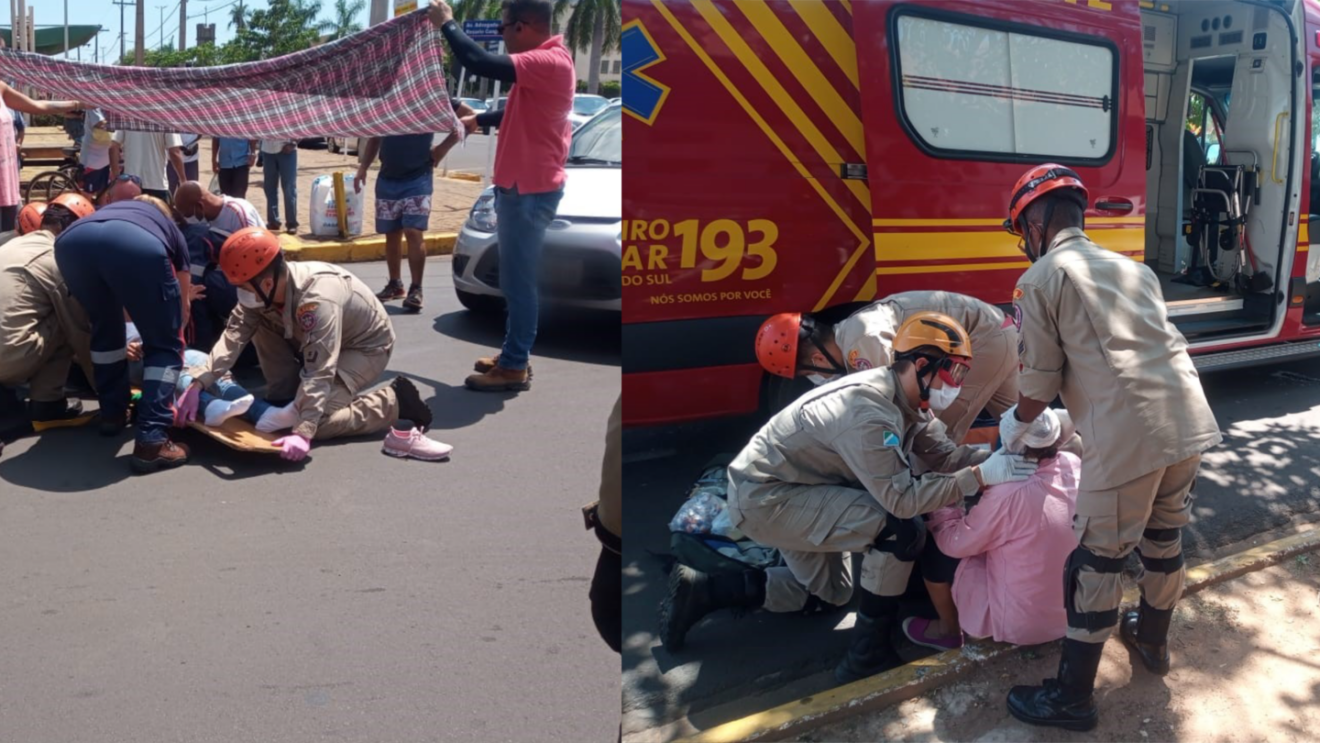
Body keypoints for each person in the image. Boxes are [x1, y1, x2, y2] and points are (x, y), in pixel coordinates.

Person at [659, 313, 1038, 683]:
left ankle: (706, 590)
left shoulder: (909, 399)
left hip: (802, 491)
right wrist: (977, 478)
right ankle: (867, 655)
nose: (957, 384)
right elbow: (902, 500)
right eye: (954, 372)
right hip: (769, 499)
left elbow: (945, 456)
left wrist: (1003, 458)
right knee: (899, 529)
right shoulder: (868, 410)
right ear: (922, 364)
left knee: (831, 595)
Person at [996, 165, 1222, 731]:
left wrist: (1013, 425)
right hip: (1187, 422)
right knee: (1163, 540)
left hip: (1128, 441)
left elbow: (1039, 381)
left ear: (1036, 219)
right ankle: (1153, 643)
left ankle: (1072, 699)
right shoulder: (1134, 270)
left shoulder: (1041, 279)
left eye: (1022, 226)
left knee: (1096, 564)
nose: (1025, 238)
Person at [181, 227, 442, 462]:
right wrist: (199, 383)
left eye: (242, 287)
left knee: (320, 422)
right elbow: (233, 336)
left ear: (268, 282)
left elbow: (320, 369)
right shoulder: (262, 291)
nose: (240, 294)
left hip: (364, 348)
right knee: (257, 321)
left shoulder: (317, 300)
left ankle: (394, 402)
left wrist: (303, 431)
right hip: (316, 342)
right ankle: (284, 396)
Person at [430, 0, 575, 391]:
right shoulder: (547, 65)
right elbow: (520, 111)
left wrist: (447, 24)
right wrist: (481, 118)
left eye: (503, 29)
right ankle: (514, 352)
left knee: (518, 282)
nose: (501, 37)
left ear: (523, 27)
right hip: (525, 187)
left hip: (529, 191)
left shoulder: (549, 62)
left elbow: (477, 62)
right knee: (517, 280)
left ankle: (514, 365)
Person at [903, 409, 1081, 650]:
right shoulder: (1073, 464)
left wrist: (945, 503)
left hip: (1023, 624)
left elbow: (955, 543)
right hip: (1074, 610)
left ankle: (949, 630)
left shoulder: (1008, 493)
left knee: (936, 551)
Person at [759, 291, 1020, 444]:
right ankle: (1048, 477)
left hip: (985, 339)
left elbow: (897, 406)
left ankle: (941, 511)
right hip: (998, 330)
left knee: (935, 437)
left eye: (807, 373)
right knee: (1023, 424)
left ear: (817, 359)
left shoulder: (861, 343)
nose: (814, 378)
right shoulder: (851, 333)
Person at [54, 196, 194, 473]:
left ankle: (113, 413)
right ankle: (152, 441)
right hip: (135, 247)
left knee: (106, 330)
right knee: (166, 346)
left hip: (71, 244)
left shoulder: (112, 212)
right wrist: (162, 331)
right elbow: (182, 306)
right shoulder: (168, 228)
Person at [356, 98, 475, 313]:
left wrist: (443, 148)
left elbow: (470, 117)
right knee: (391, 233)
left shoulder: (430, 95)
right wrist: (363, 167)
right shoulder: (386, 100)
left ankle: (416, 289)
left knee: (413, 231)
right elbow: (375, 138)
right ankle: (395, 284)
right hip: (388, 178)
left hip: (418, 178)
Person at [0, 202, 97, 431]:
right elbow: (81, 331)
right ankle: (48, 404)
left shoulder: (12, 245)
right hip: (6, 359)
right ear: (68, 228)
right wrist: (109, 389)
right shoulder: (58, 258)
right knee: (67, 316)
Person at [0, 83, 81, 231]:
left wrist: (78, 104)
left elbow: (38, 106)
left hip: (7, 183)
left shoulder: (1, 88)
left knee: (6, 238)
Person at [110, 130, 186, 202]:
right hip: (157, 185)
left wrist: (116, 177)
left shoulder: (127, 117)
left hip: (131, 185)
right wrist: (183, 181)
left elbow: (113, 147)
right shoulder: (166, 119)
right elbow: (174, 153)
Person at [171, 180, 265, 235]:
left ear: (200, 206)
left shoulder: (238, 214)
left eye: (187, 215)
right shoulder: (202, 214)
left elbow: (252, 250)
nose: (187, 219)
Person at [260, 137, 299, 235]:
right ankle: (273, 221)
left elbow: (302, 125)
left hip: (286, 150)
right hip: (267, 151)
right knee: (270, 188)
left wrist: (294, 144)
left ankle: (291, 223)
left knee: (289, 188)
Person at [80, 108, 114, 194]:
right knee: (89, 192)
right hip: (93, 159)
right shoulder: (93, 106)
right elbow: (100, 123)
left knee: (103, 192)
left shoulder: (109, 105)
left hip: (105, 157)